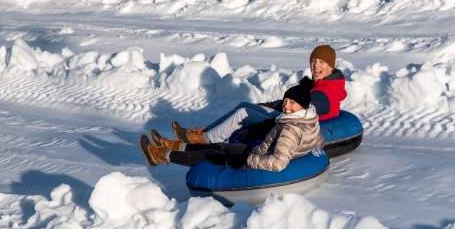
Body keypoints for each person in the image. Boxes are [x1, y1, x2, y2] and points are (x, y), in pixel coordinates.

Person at [170, 44, 347, 145]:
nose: (316, 66)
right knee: (244, 106)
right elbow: (294, 103)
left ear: (331, 66)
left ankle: (205, 139)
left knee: (244, 113)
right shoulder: (321, 85)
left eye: (321, 62)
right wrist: (268, 106)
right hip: (290, 116)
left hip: (292, 124)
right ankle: (203, 132)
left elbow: (298, 113)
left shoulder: (325, 94)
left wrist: (264, 117)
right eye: (313, 61)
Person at [140, 84, 323, 172]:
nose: (287, 107)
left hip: (252, 160)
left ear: (303, 106)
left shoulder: (290, 129)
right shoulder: (310, 120)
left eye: (292, 103)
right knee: (219, 146)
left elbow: (278, 163)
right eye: (285, 101)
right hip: (256, 152)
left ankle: (162, 156)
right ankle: (174, 145)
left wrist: (250, 159)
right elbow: (319, 143)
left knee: (208, 155)